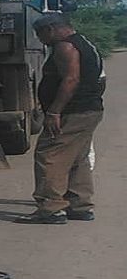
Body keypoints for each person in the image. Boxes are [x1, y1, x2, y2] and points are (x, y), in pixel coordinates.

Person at [15, 13, 104, 224]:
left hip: (71, 113)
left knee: (49, 155)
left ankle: (51, 207)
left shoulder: (65, 47)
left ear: (52, 29)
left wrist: (54, 112)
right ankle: (79, 204)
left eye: (40, 33)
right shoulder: (84, 43)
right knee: (77, 157)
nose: (40, 39)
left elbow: (71, 79)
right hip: (88, 110)